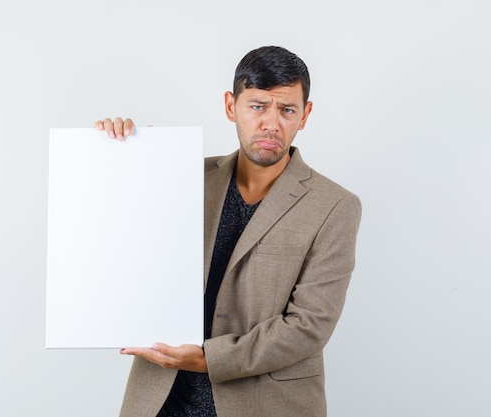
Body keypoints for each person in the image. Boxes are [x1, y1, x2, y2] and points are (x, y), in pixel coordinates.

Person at [95, 45, 361, 417]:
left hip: (265, 404)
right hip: (159, 400)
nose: (271, 123)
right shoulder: (182, 176)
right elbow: (115, 241)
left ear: (305, 115)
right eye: (257, 106)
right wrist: (125, 156)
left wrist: (208, 359)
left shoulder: (334, 205)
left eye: (287, 109)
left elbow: (309, 326)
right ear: (229, 105)